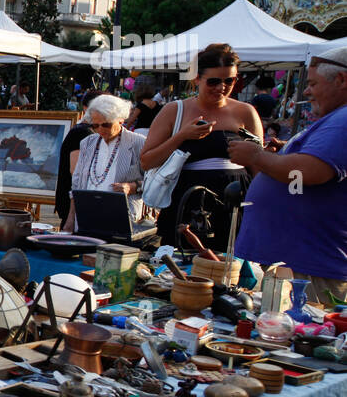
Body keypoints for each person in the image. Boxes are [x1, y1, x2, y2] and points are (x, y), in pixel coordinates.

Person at [230, 47, 347, 304]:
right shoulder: (336, 119)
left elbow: (307, 172)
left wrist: (257, 157)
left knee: (301, 337)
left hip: (311, 271)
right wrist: (280, 156)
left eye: (313, 83)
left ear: (341, 80)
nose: (305, 91)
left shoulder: (344, 119)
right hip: (300, 267)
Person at [141, 42, 262, 249]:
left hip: (235, 199)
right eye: (213, 81)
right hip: (189, 199)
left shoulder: (245, 112)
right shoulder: (175, 110)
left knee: (231, 266)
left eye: (230, 80)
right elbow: (146, 161)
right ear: (197, 78)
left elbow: (259, 164)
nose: (221, 88)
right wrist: (181, 136)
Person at [62, 94, 147, 232]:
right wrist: (70, 219)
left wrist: (132, 186)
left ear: (120, 120)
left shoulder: (139, 143)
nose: (100, 129)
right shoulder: (87, 143)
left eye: (106, 125)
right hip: (87, 216)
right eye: (95, 125)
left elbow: (155, 181)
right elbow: (77, 184)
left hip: (122, 217)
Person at [55, 89, 101, 227]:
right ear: (87, 108)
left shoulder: (85, 130)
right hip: (72, 203)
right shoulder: (82, 132)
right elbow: (75, 171)